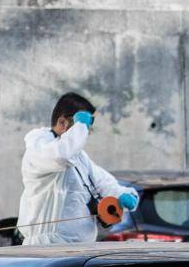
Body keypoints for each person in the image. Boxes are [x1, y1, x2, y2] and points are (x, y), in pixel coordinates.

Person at [16, 92, 139, 245]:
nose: (86, 133)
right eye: (84, 126)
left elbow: (102, 182)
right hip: (46, 249)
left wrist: (122, 195)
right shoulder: (38, 149)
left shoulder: (79, 158)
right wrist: (81, 126)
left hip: (80, 250)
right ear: (62, 123)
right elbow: (62, 155)